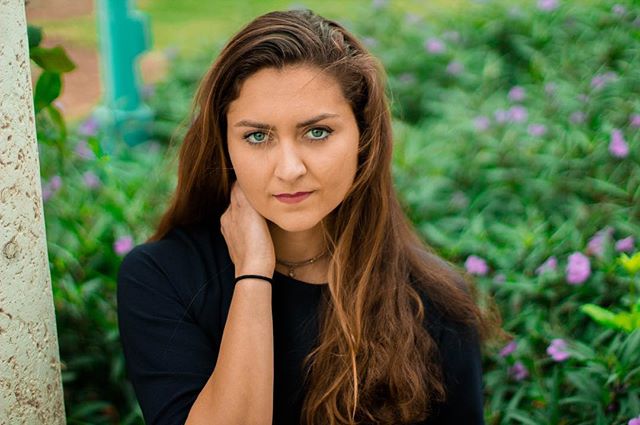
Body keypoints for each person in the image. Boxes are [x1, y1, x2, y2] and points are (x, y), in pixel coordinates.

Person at [117, 8, 502, 425]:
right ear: (224, 144)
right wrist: (252, 273)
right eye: (257, 136)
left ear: (364, 137)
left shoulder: (435, 302)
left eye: (317, 132)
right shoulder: (164, 277)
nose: (289, 168)